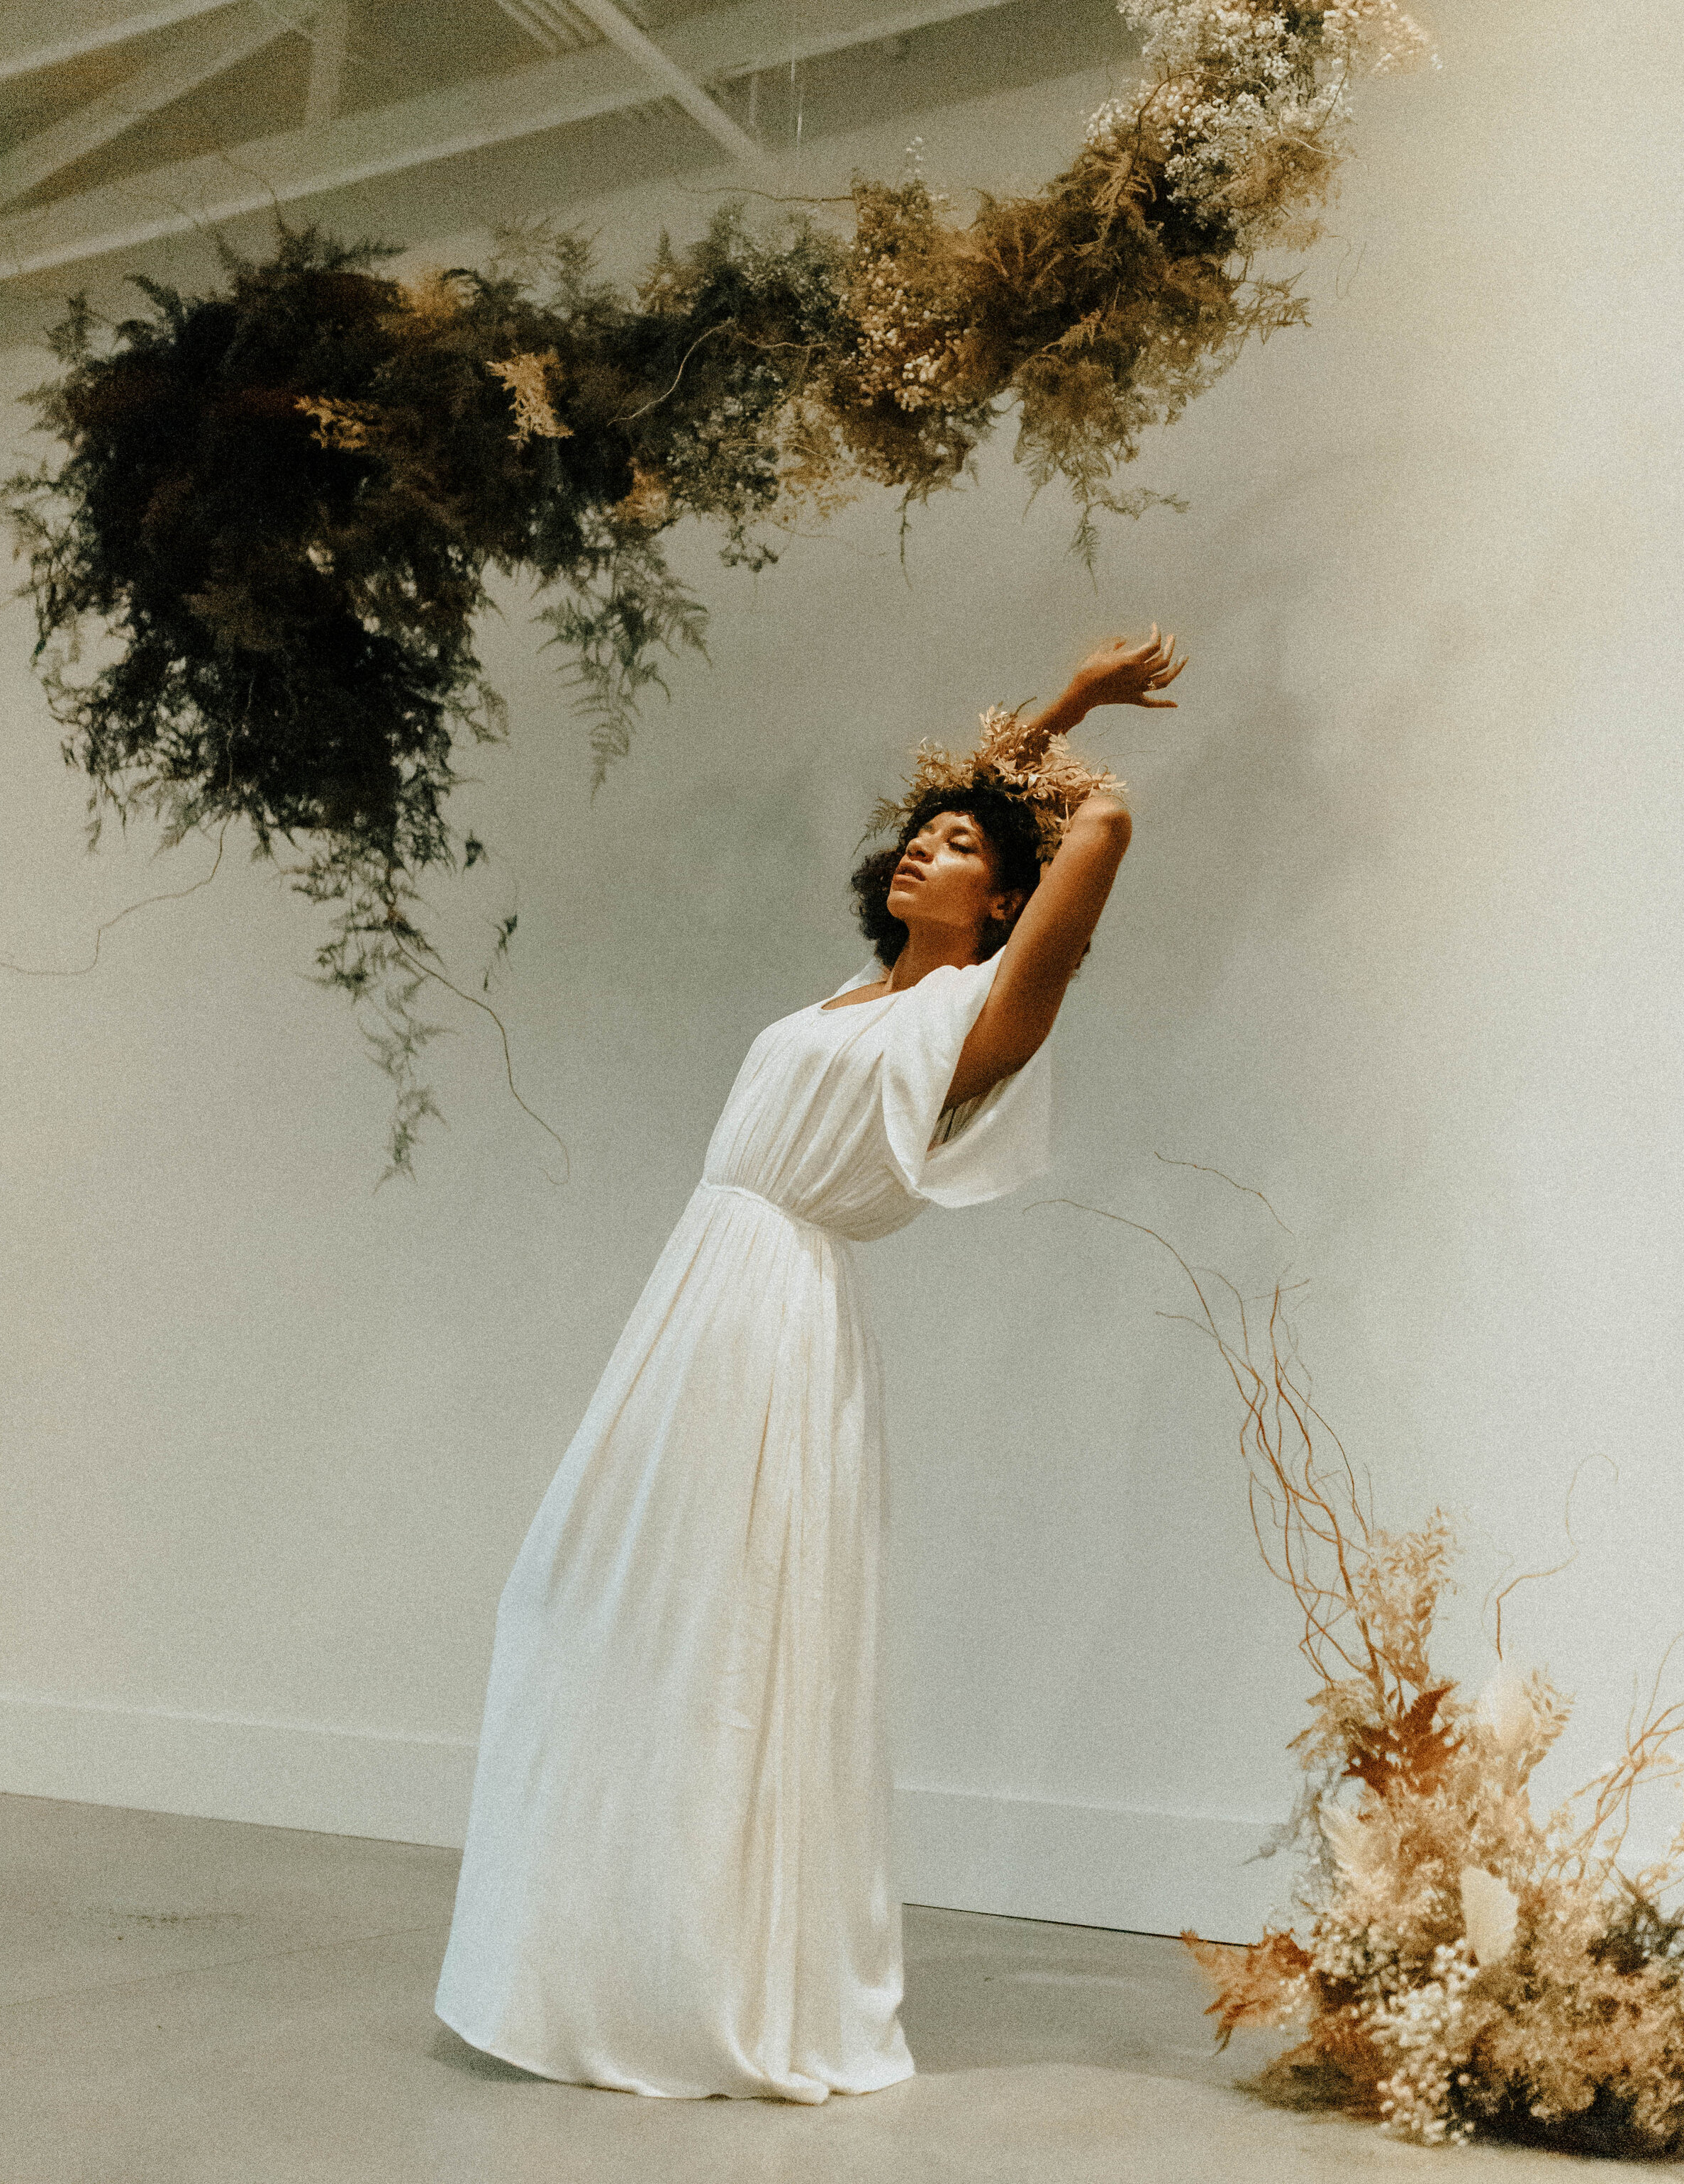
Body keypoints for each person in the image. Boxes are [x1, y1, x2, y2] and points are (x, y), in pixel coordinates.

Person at [433, 624, 1186, 2101]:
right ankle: (594, 1958)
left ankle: (706, 1981)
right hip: (694, 1297)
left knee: (730, 1642)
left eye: (961, 844)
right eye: (917, 837)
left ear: (1008, 899)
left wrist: (1074, 728)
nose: (923, 849)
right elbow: (975, 814)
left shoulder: (979, 1017)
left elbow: (1100, 821)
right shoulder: (853, 992)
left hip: (777, 1319)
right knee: (575, 1605)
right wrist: (1058, 706)